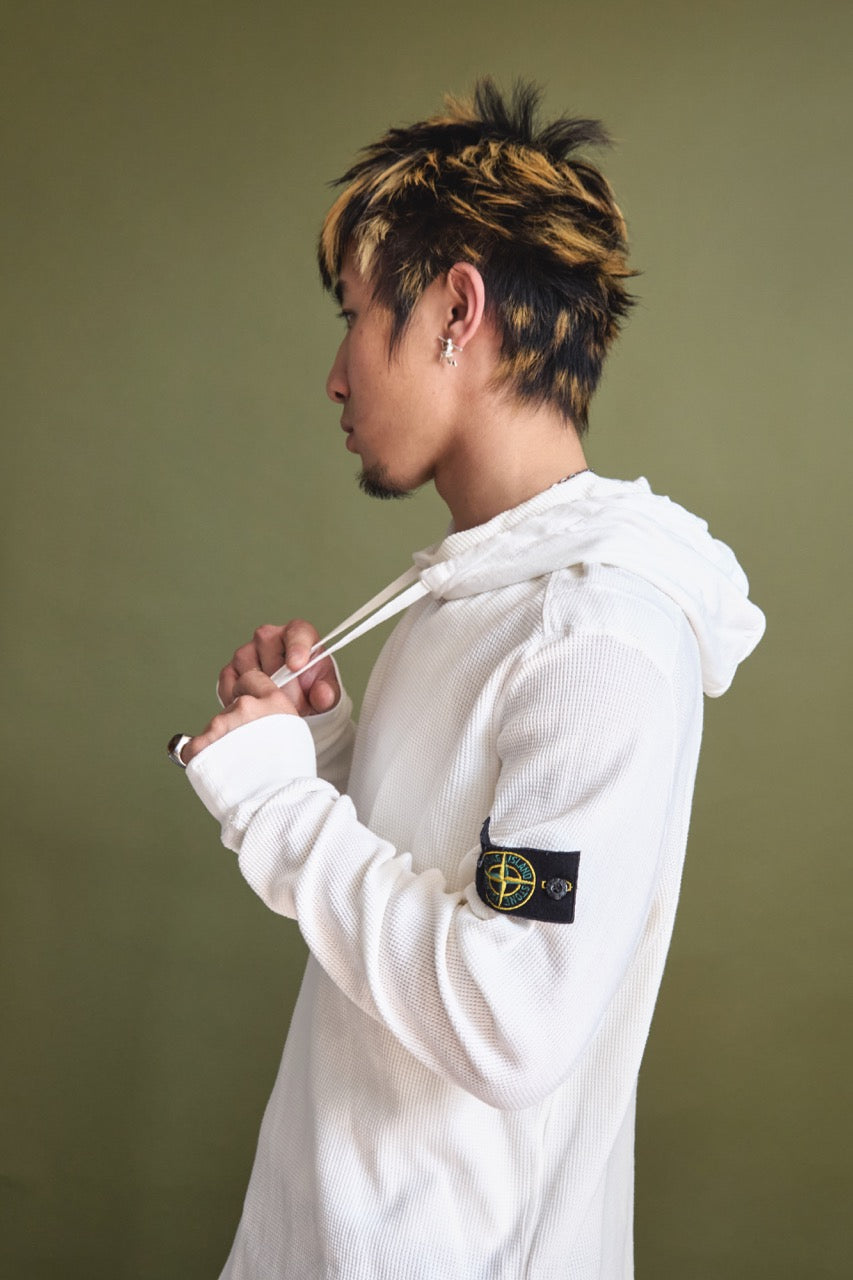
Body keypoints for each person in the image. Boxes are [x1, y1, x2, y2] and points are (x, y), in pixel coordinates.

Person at [168, 80, 765, 1279]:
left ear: (455, 309)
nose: (336, 376)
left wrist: (277, 807)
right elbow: (456, 874)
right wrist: (324, 749)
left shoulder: (594, 633)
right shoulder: (473, 588)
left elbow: (508, 1019)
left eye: (354, 317)